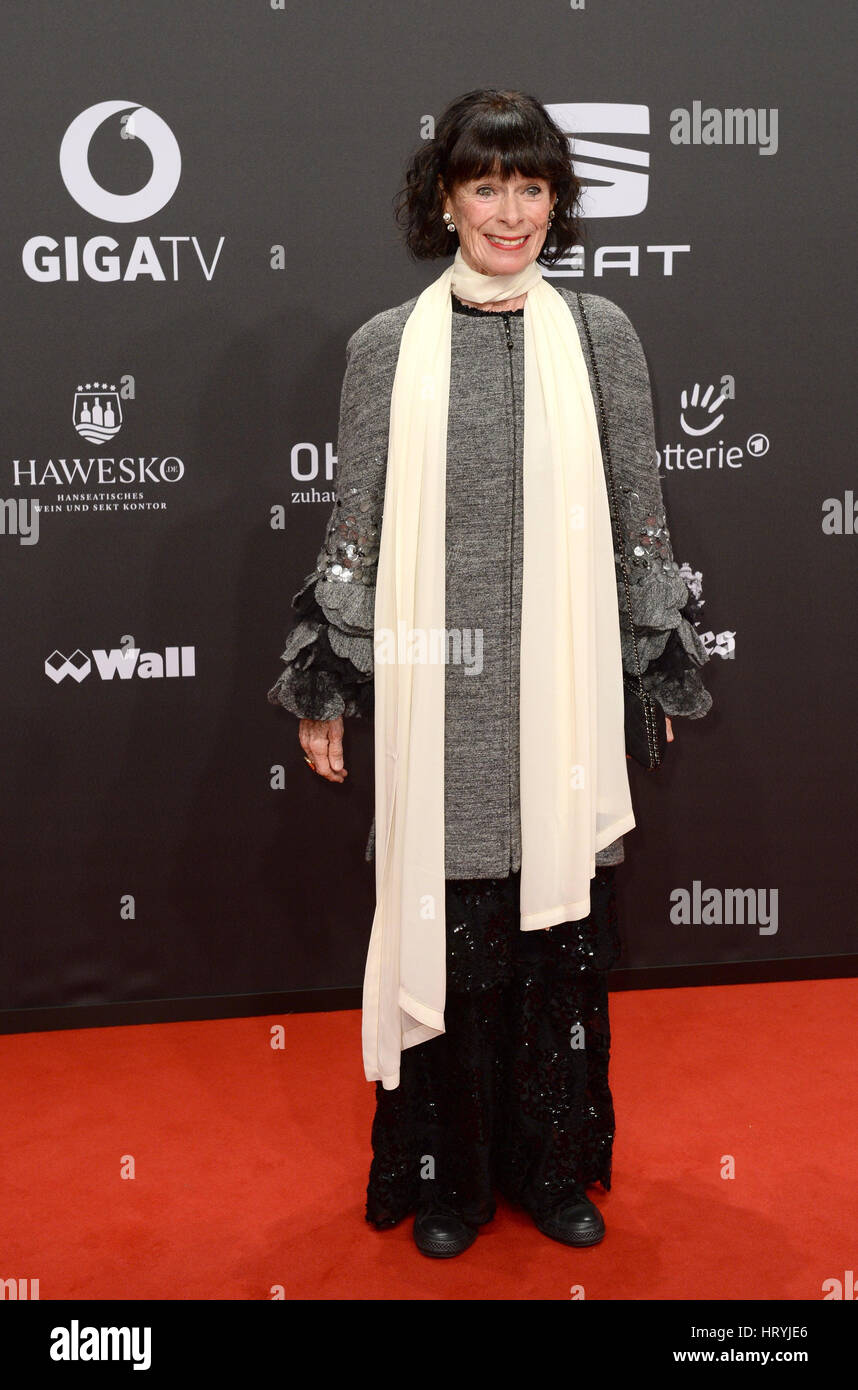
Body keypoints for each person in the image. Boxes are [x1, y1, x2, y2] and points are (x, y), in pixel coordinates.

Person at [268, 88, 713, 1258]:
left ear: (557, 199)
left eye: (530, 186)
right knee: (456, 946)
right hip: (440, 698)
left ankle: (556, 1167)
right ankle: (452, 1178)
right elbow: (353, 527)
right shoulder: (387, 350)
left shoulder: (601, 335)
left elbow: (640, 519)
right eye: (485, 185)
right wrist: (328, 680)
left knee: (561, 941)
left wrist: (651, 659)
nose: (508, 211)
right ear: (446, 198)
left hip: (563, 695)